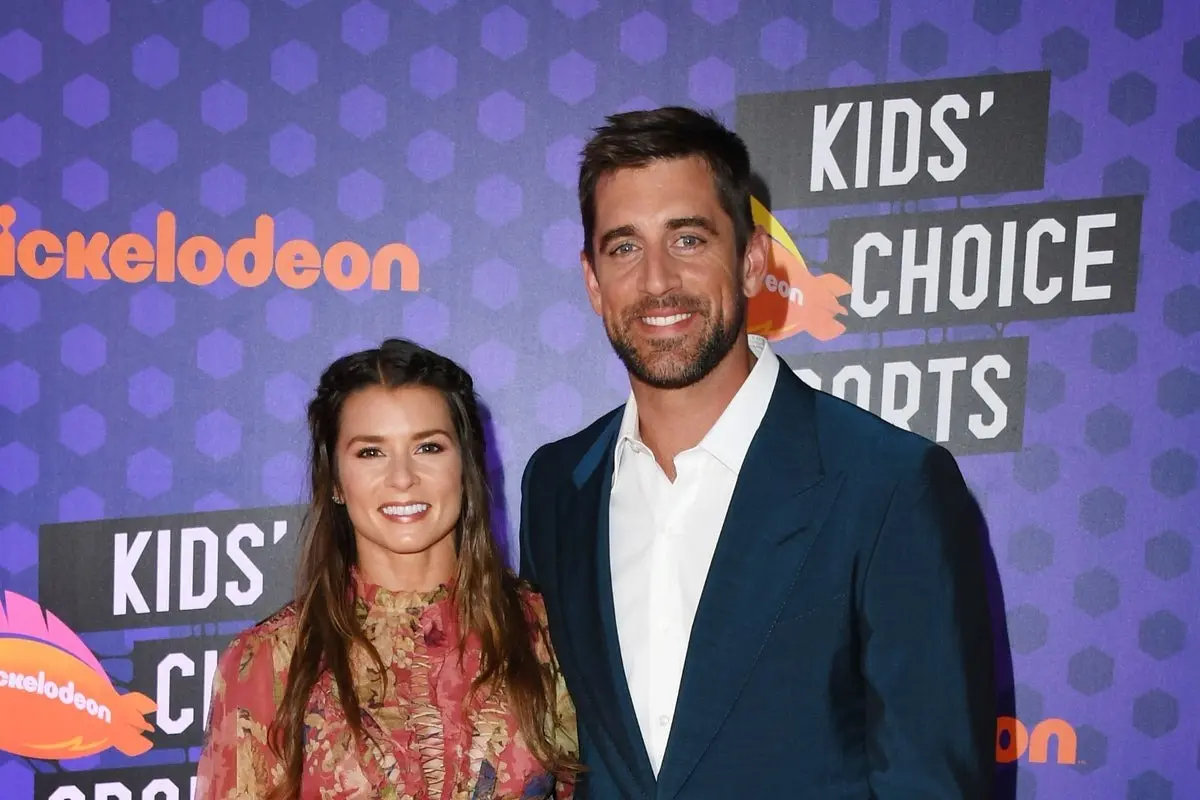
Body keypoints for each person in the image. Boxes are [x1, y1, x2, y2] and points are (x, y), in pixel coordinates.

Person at [518, 107, 997, 799]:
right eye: (624, 248)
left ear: (750, 263)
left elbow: (932, 784)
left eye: (688, 239)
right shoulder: (558, 486)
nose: (656, 281)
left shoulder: (889, 483)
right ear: (593, 281)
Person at [196, 339, 580, 799]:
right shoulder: (269, 660)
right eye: (370, 453)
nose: (402, 478)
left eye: (429, 447)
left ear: (466, 467)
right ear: (336, 482)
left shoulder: (544, 631)